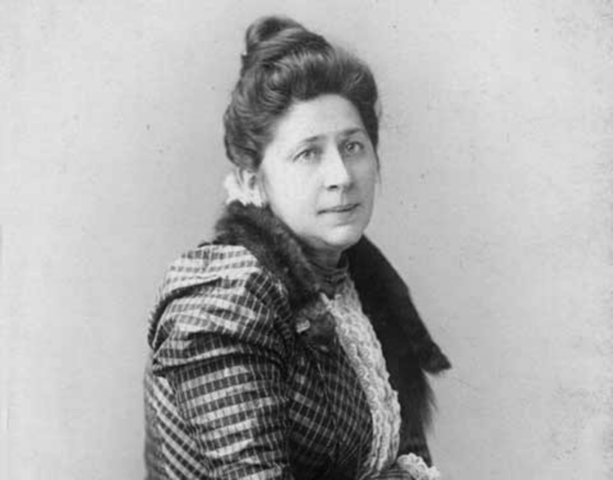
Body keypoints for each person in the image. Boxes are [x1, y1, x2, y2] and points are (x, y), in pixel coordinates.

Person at [144, 16, 450, 480]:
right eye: (308, 153)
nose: (341, 176)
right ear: (252, 180)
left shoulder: (354, 279)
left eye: (353, 146)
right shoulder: (226, 299)